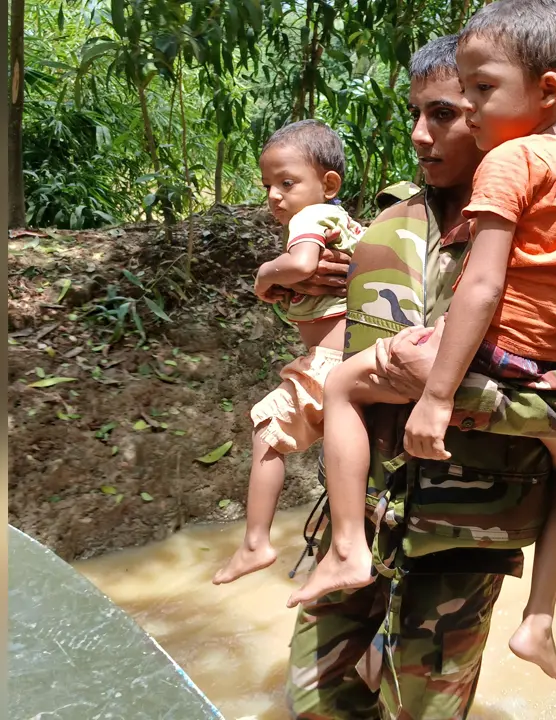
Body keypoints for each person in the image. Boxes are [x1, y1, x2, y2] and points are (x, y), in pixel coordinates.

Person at [281, 35, 556, 717]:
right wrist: (281, 288)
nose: (423, 134)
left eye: (447, 112)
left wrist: (458, 395)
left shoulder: (554, 246)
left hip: (460, 546)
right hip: (357, 524)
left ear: (495, 113)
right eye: (416, 113)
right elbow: (335, 348)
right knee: (314, 704)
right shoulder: (384, 226)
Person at [212, 120, 366, 585]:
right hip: (355, 360)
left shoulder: (309, 219)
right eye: (268, 187)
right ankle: (344, 539)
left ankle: (256, 544)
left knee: (267, 427)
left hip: (327, 363)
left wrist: (264, 275)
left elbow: (299, 265)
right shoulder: (348, 224)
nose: (274, 196)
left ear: (329, 184)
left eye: (287, 182)